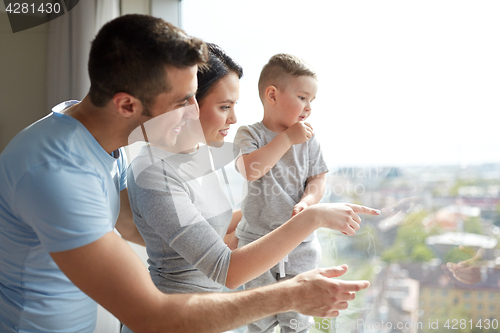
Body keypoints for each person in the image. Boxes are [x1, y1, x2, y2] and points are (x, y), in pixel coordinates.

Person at [0, 14, 372, 333]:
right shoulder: (58, 174)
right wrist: (292, 293)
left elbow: (132, 225)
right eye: (183, 102)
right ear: (127, 105)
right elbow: (150, 315)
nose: (196, 112)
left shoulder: (96, 138)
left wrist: (270, 218)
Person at [233, 54, 329, 333]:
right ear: (272, 95)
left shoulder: (310, 141)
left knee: (298, 320)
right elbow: (251, 169)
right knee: (258, 318)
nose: (308, 107)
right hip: (256, 246)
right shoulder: (248, 134)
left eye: (312, 101)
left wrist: (308, 201)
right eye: (302, 97)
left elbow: (318, 179)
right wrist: (287, 138)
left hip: (299, 246)